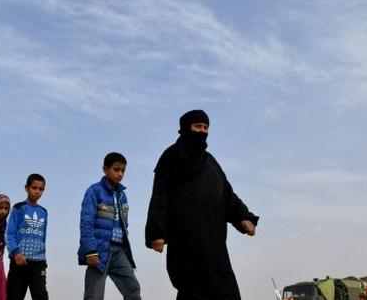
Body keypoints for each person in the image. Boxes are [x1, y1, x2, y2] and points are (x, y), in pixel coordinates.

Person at [145, 110, 259, 300]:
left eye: (206, 127)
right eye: (197, 126)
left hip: (214, 243)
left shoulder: (211, 162)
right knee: (192, 290)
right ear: (185, 128)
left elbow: (227, 195)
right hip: (185, 240)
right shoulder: (171, 157)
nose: (202, 131)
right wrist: (157, 233)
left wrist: (244, 217)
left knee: (226, 290)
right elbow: (159, 197)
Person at [78, 152, 141, 300]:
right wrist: (91, 251)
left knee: (132, 288)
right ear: (105, 169)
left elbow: (124, 224)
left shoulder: (122, 195)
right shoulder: (94, 191)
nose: (120, 174)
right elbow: (86, 222)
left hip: (119, 251)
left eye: (123, 171)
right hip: (99, 251)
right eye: (116, 169)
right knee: (94, 295)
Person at [6, 173, 49, 300]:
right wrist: (16, 253)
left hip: (38, 262)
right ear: (26, 188)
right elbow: (9, 234)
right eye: (34, 188)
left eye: (41, 189)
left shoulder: (44, 212)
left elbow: (43, 237)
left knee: (41, 295)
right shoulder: (18, 208)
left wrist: (44, 260)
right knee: (14, 295)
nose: (37, 192)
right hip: (19, 261)